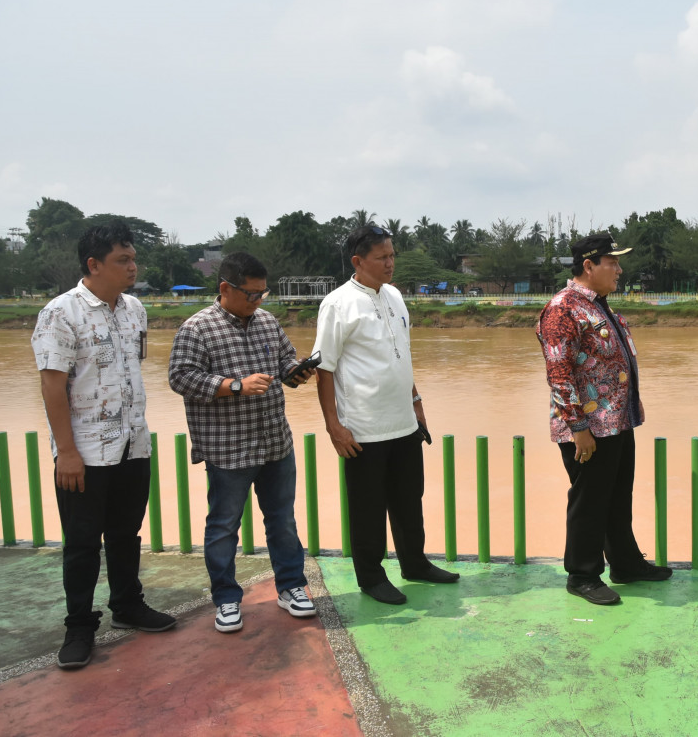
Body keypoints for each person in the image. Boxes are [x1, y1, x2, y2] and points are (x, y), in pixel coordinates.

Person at [31, 221, 177, 670]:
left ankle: (128, 606)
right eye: (123, 260)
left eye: (133, 259)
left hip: (133, 444)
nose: (133, 267)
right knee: (80, 542)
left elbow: (134, 366)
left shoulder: (135, 309)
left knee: (124, 534)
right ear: (93, 265)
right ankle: (79, 626)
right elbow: (52, 387)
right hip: (86, 453)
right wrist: (67, 452)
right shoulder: (61, 313)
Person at [168, 251, 317, 633]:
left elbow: (284, 362)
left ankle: (292, 587)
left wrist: (296, 373)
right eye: (251, 294)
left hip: (274, 442)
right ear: (225, 288)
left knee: (282, 521)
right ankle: (227, 599)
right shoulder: (197, 329)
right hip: (227, 447)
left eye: (262, 293)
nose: (258, 301)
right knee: (223, 526)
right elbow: (181, 378)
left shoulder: (268, 322)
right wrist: (235, 386)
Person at [313, 225, 457, 604]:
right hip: (363, 428)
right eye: (382, 257)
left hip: (404, 423)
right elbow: (324, 368)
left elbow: (402, 355)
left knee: (410, 500)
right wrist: (334, 426)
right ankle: (371, 577)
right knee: (368, 509)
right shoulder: (337, 304)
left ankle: (415, 564)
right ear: (358, 262)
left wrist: (417, 401)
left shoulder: (394, 296)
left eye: (393, 255)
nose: (391, 263)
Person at [537, 232, 671, 605]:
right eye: (612, 263)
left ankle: (626, 564)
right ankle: (582, 575)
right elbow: (559, 373)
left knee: (616, 498)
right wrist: (578, 429)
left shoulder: (599, 305)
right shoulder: (563, 309)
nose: (619, 269)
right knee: (590, 502)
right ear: (588, 266)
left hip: (617, 422)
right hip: (588, 429)